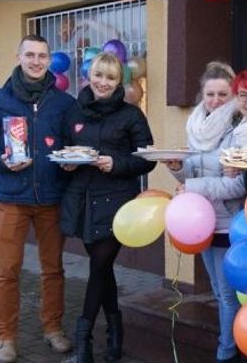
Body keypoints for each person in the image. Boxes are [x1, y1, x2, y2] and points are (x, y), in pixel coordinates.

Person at [0, 34, 75, 362]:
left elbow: (74, 142)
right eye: (29, 55)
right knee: (7, 271)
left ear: (49, 60)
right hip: (10, 198)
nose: (36, 61)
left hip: (51, 198)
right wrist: (1, 160)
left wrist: (72, 159)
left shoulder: (64, 102)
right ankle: (5, 338)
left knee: (53, 269)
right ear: (18, 57)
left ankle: (53, 328)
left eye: (42, 56)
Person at [58, 52, 156, 363]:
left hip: (117, 203)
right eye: (98, 75)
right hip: (83, 200)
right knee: (103, 270)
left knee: (99, 267)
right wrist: (68, 164)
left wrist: (116, 163)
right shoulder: (74, 112)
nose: (103, 82)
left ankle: (83, 341)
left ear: (119, 82)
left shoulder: (132, 115)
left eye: (111, 78)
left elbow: (146, 160)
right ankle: (116, 338)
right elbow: (65, 150)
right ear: (89, 76)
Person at [162, 62, 244, 363]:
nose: (215, 101)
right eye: (210, 94)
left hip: (228, 223)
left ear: (233, 94)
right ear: (202, 95)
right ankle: (232, 345)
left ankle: (227, 352)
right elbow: (189, 181)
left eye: (223, 94)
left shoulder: (238, 130)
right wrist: (177, 169)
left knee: (226, 295)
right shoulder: (196, 127)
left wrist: (193, 185)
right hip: (201, 224)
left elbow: (236, 185)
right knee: (218, 290)